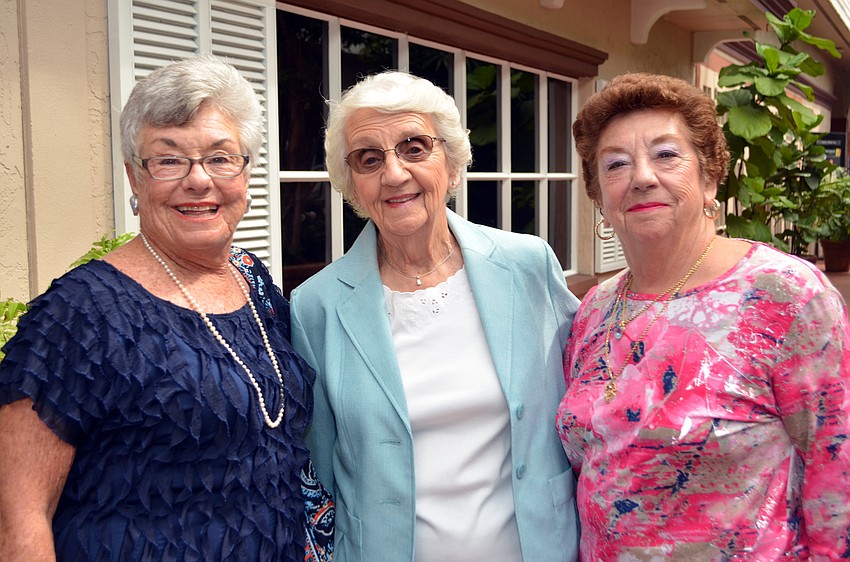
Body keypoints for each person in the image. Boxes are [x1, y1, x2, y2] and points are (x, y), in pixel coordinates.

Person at [0, 55, 324, 561]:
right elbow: (20, 516)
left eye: (220, 157)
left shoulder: (253, 280)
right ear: (135, 177)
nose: (199, 181)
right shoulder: (78, 313)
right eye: (169, 160)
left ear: (245, 173)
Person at [289, 71, 581, 561]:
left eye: (414, 147)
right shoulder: (315, 306)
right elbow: (316, 465)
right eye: (369, 158)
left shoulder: (527, 265)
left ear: (450, 161)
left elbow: (587, 397)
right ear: (352, 185)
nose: (394, 174)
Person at [557, 72, 850, 560]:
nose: (642, 176)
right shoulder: (595, 308)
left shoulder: (783, 294)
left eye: (666, 155)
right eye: (616, 164)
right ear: (599, 198)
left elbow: (837, 470)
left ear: (709, 177)